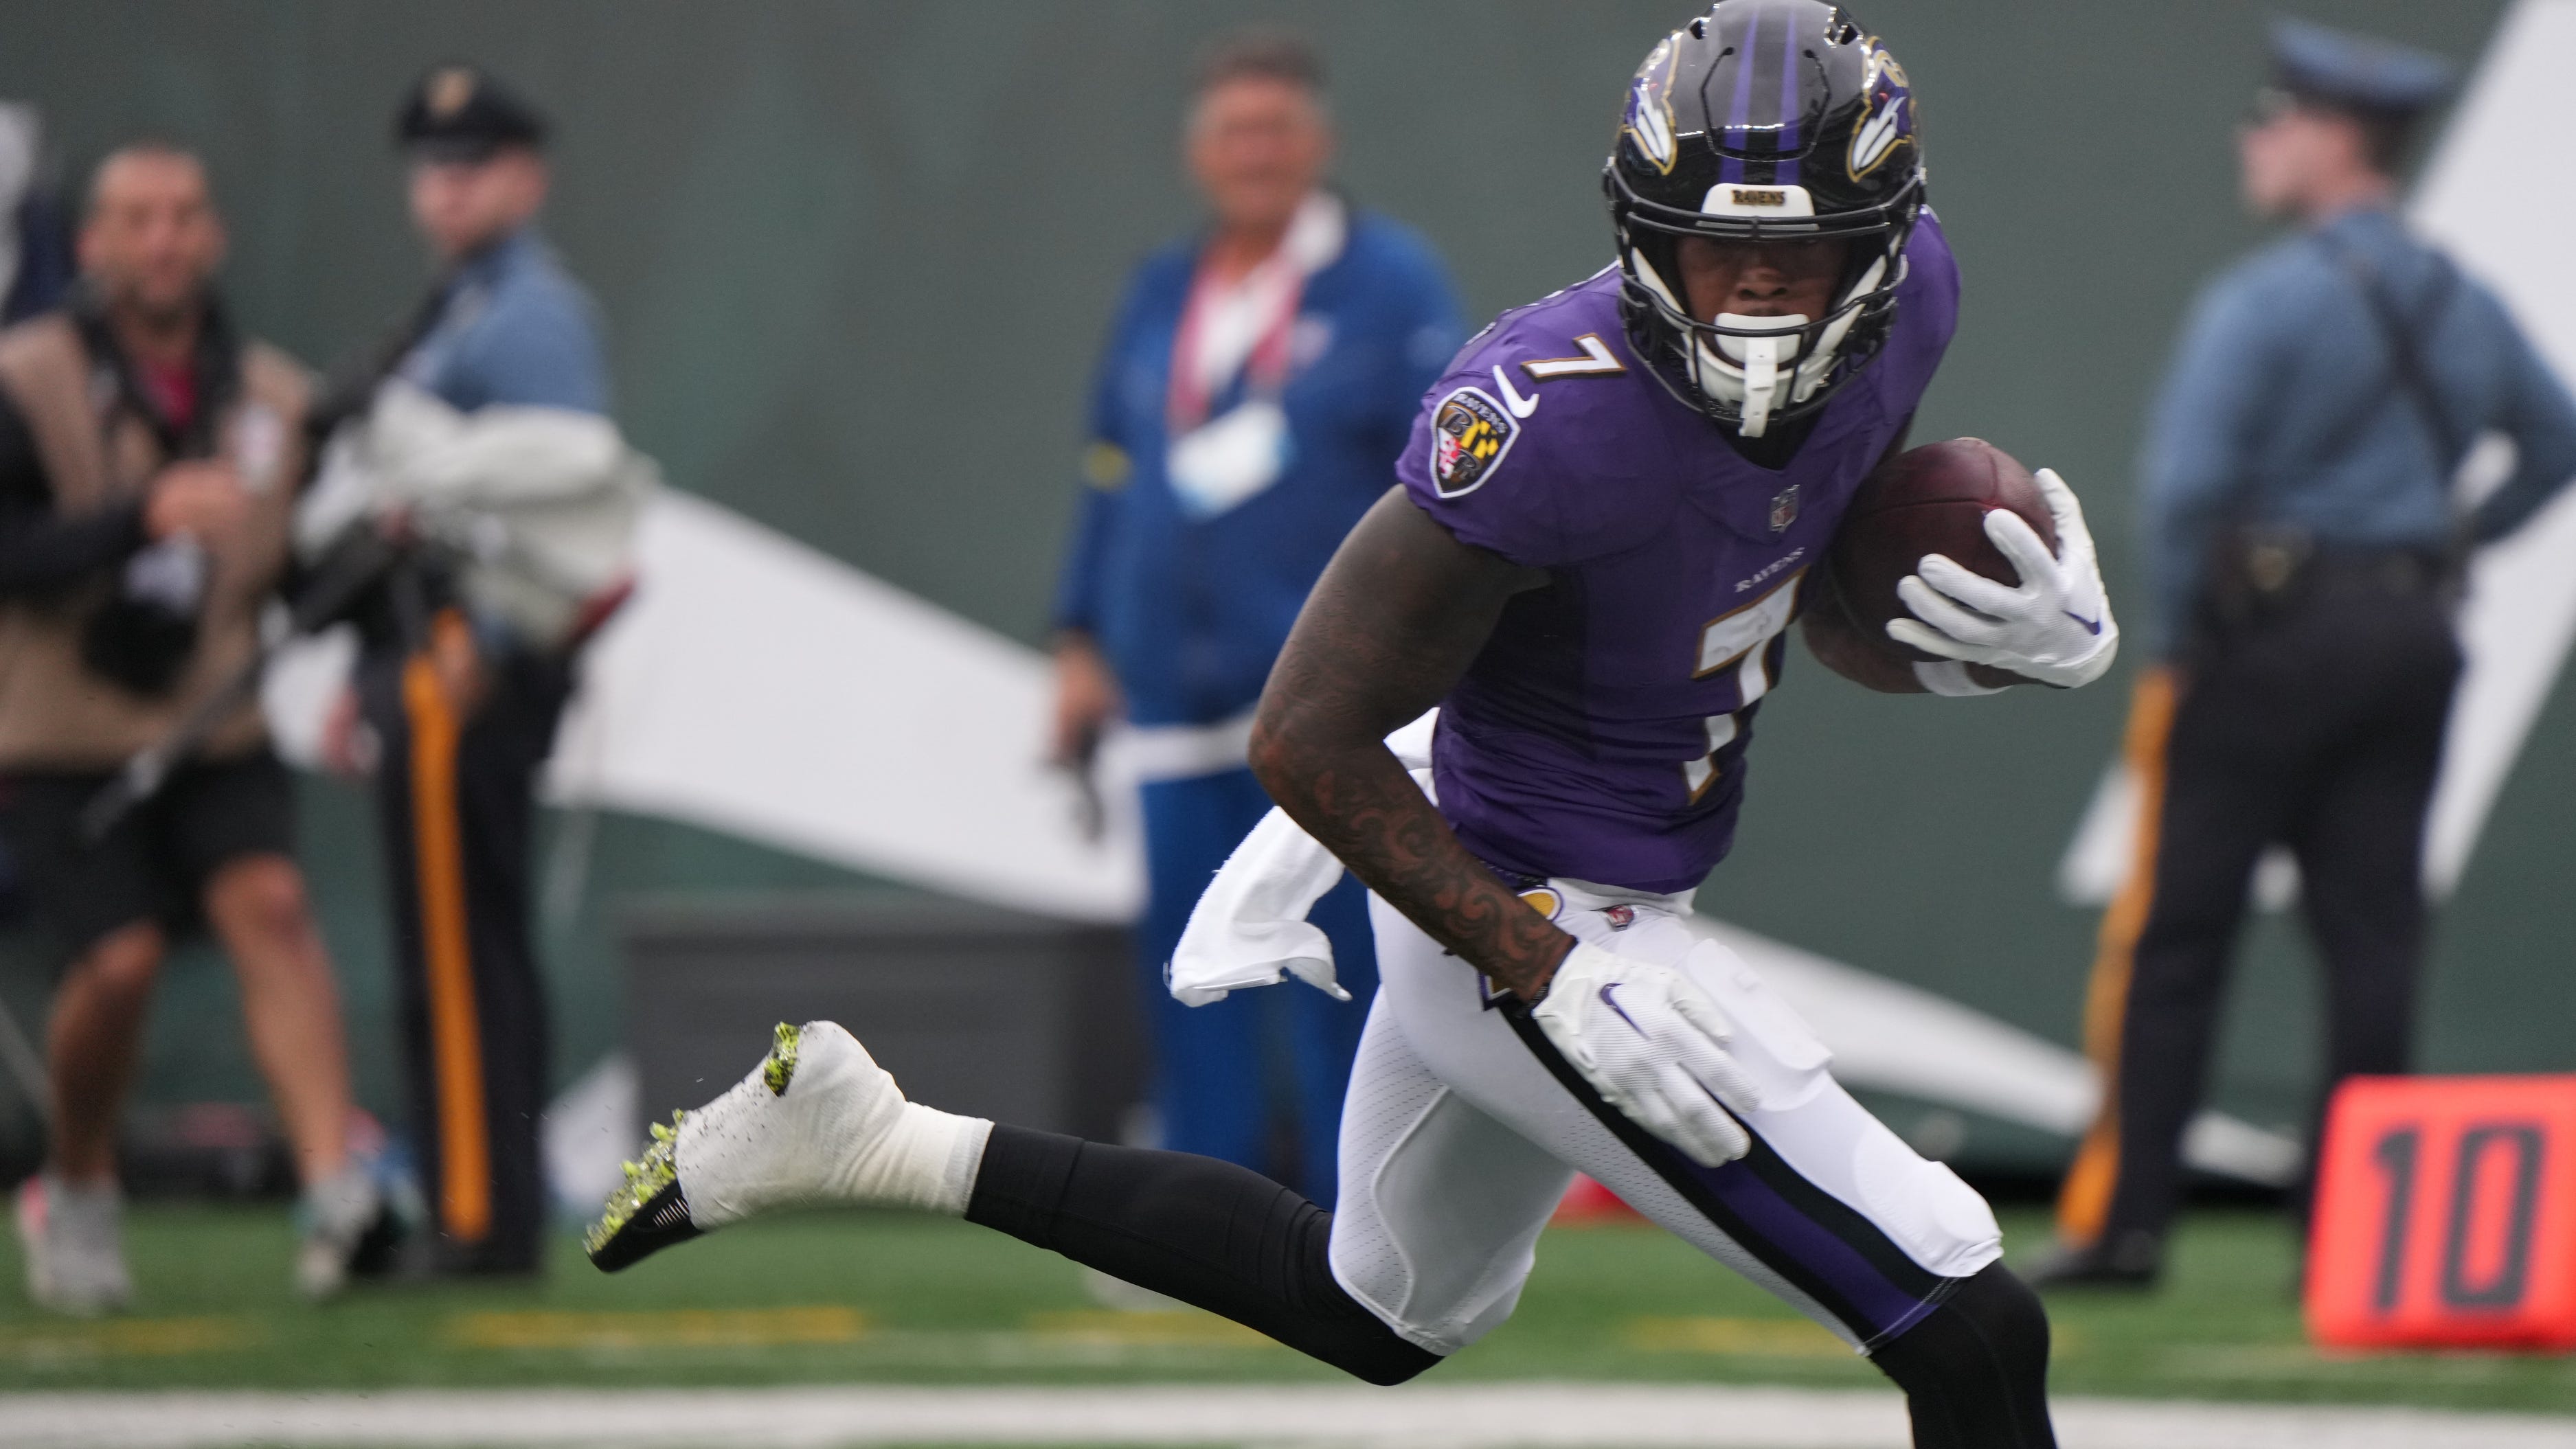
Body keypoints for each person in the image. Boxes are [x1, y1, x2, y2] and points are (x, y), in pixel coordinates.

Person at [592, 8, 2119, 1444]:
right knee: (1968, 1321)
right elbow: (1302, 733)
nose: (1755, 295)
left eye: (1802, 256)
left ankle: (869, 1136)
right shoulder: (1546, 418)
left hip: (1614, 893)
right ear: (1643, 230)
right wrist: (1547, 966)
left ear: (1884, 241)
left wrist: (1993, 645)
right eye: (1718, 250)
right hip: (1514, 905)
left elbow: (1787, 583)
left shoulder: (1910, 308)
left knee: (1377, 1309)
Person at [2035, 19, 2576, 1290]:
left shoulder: (2265, 300)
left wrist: (2180, 642)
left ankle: (2128, 1226)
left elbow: (2186, 492)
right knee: (2371, 941)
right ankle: (2355, 1235)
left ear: (2333, 140)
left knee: (2178, 936)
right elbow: (2554, 442)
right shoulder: (2459, 298)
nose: (2253, 141)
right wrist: (2451, 543)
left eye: (2273, 119)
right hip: (2410, 635)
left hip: (2264, 639)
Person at [1048, 32, 1463, 1200]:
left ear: (1317, 143)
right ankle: (1198, 1222)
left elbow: (1441, 477)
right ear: (1200, 154)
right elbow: (1109, 467)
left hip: (1330, 702)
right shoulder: (1161, 289)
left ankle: (1355, 1224)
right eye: (1235, 133)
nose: (1256, 154)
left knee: (1341, 971)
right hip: (1171, 700)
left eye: (1275, 130)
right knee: (1194, 972)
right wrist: (1077, 637)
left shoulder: (1388, 283)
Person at [0, 144, 381, 1312]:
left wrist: (370, 562)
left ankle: (335, 1193)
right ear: (96, 242)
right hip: (66, 731)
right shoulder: (27, 378)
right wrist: (140, 518)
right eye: (137, 218)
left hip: (215, 718)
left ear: (213, 235)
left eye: (182, 216)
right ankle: (77, 1183)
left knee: (272, 905)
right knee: (119, 964)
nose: (162, 240)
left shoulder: (269, 395)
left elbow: (290, 573)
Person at [324, 64, 615, 1278]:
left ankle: (479, 1212)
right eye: (432, 168)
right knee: (457, 936)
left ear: (525, 178)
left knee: (460, 945)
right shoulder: (461, 304)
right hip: (425, 648)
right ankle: (477, 1200)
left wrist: (483, 648)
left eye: (473, 165)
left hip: (472, 660)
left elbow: (570, 503)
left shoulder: (529, 314)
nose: (447, 188)